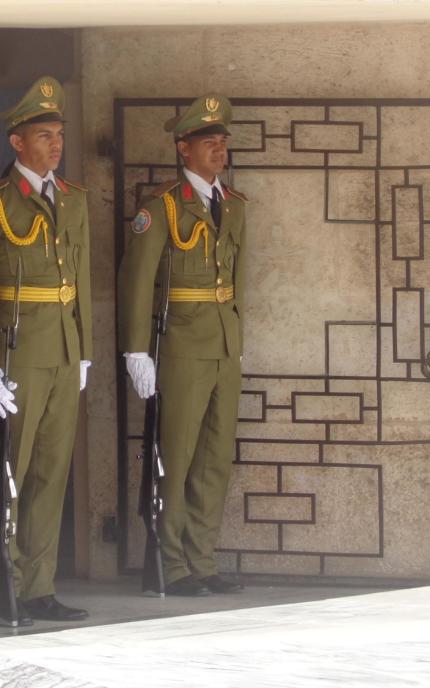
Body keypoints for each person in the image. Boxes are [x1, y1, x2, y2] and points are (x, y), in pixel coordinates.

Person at [117, 93, 247, 597]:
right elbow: (136, 281)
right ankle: (170, 565)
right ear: (183, 149)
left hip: (223, 345)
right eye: (208, 142)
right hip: (180, 346)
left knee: (215, 458)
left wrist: (238, 336)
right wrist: (136, 351)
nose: (218, 150)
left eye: (222, 141)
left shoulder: (233, 206)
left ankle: (202, 560)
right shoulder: (161, 209)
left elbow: (240, 279)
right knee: (177, 456)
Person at [0, 76, 92, 623]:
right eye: (43, 136)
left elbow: (82, 280)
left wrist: (85, 347)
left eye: (59, 134)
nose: (55, 144)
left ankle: (40, 585)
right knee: (13, 473)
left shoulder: (72, 200)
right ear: (17, 143)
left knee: (51, 472)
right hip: (18, 354)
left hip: (64, 352)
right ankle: (7, 587)